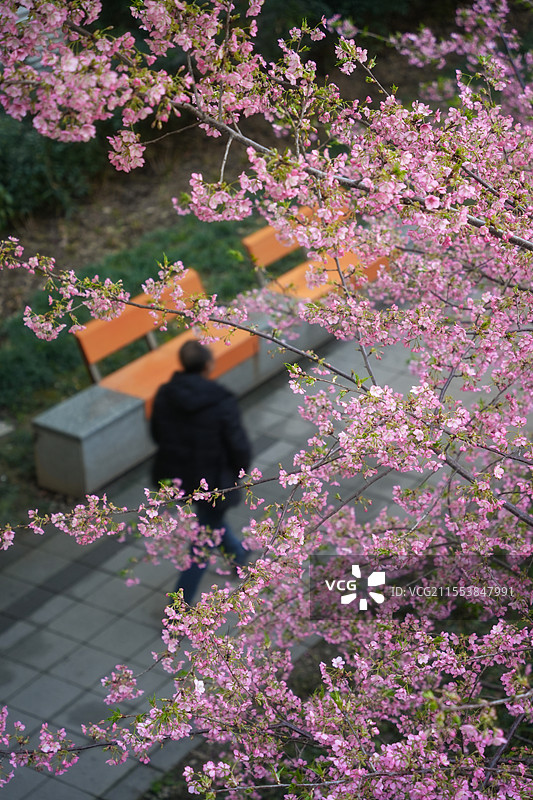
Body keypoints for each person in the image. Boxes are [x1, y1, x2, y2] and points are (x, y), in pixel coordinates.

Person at [150, 339, 252, 604]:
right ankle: (179, 607)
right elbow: (238, 445)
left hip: (176, 475)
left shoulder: (165, 394)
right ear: (208, 364)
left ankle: (238, 555)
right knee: (203, 541)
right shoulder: (221, 400)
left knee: (211, 521)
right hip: (213, 480)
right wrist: (238, 472)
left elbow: (157, 433)